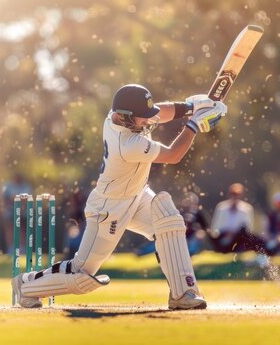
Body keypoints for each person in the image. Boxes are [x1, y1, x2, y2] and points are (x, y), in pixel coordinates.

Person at [13, 83, 227, 309]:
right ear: (124, 117)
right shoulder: (127, 143)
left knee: (169, 221)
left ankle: (183, 293)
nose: (148, 120)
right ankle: (26, 285)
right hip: (109, 208)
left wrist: (190, 107)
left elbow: (158, 112)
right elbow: (173, 155)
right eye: (142, 118)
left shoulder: (121, 116)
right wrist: (194, 124)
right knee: (81, 273)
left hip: (138, 195)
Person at [210, 183, 269, 254]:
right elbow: (216, 226)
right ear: (229, 194)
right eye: (233, 193)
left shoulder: (247, 208)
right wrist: (227, 233)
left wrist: (234, 233)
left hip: (238, 237)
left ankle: (267, 252)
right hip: (223, 236)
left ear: (241, 195)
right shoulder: (221, 207)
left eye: (237, 194)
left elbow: (248, 227)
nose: (235, 196)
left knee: (257, 239)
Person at [1, 174, 32, 253]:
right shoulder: (8, 185)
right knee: (10, 229)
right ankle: (11, 248)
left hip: (22, 211)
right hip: (10, 211)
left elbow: (27, 198)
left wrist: (16, 199)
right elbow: (4, 198)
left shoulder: (25, 186)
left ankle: (22, 248)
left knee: (22, 229)